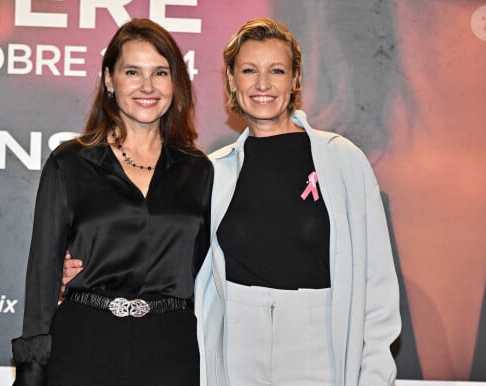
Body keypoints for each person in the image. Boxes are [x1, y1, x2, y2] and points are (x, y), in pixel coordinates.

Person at [63, 17, 401, 386]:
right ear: (230, 81)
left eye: (276, 70)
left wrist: (375, 376)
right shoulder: (212, 171)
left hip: (319, 344)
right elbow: (171, 251)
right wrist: (91, 269)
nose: (262, 84)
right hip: (237, 345)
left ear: (294, 80)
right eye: (248, 70)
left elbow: (377, 285)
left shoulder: (342, 161)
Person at [11, 18, 213, 386]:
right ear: (109, 80)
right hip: (84, 345)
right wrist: (32, 368)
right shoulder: (70, 162)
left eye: (160, 73)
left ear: (175, 83)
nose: (147, 86)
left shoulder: (200, 170)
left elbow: (213, 269)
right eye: (132, 72)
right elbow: (43, 274)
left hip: (172, 350)